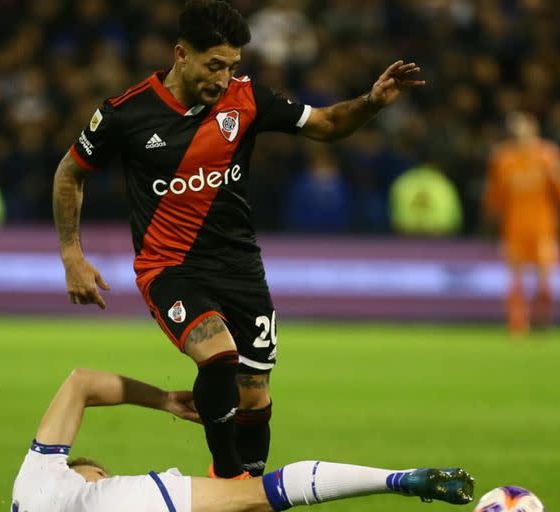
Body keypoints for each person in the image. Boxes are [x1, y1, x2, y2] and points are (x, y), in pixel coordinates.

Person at [53, 0, 425, 484]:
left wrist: (372, 101)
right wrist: (71, 254)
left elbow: (329, 125)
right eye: (214, 66)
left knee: (254, 395)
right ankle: (229, 483)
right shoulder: (127, 113)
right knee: (220, 356)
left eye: (232, 67)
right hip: (170, 268)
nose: (224, 79)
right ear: (181, 55)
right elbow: (69, 175)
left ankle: (243, 498)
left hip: (241, 266)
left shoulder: (247, 100)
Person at [11, 367, 475, 512]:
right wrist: (165, 400)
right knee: (262, 492)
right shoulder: (40, 478)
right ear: (84, 472)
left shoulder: (33, 494)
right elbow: (81, 382)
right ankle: (396, 479)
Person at [483, 111, 560, 335]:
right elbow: (494, 194)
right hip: (514, 227)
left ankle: (542, 318)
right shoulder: (502, 158)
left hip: (543, 226)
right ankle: (517, 325)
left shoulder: (549, 155)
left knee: (545, 281)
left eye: (522, 127)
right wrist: (490, 218)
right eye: (514, 129)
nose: (518, 133)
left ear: (533, 128)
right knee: (515, 279)